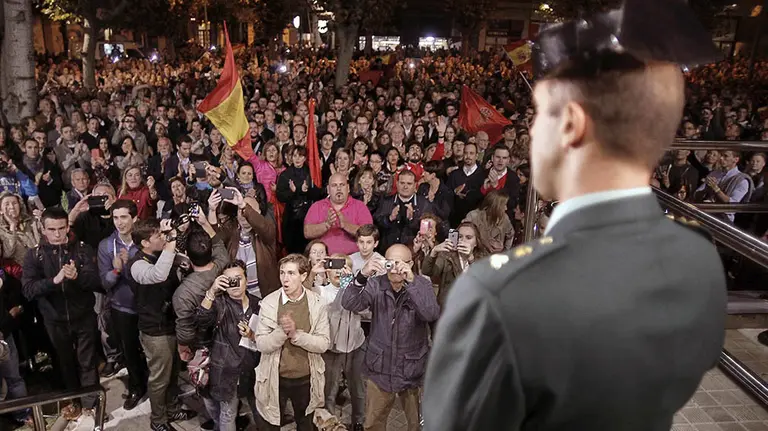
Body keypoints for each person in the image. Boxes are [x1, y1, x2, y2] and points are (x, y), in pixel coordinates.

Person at [422, 1, 728, 430]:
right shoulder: (699, 257)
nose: (530, 131)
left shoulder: (498, 295)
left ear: (571, 124)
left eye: (541, 114)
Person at [342, 244, 439, 431]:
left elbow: (431, 314)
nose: (394, 268)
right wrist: (362, 275)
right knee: (372, 424)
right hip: (380, 369)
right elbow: (349, 303)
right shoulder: (376, 284)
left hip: (412, 369)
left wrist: (411, 281)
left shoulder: (422, 284)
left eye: (400, 262)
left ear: (410, 263)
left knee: (416, 425)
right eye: (390, 262)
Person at [244, 253, 330, 431]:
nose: (285, 278)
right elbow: (261, 344)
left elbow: (323, 344)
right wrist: (282, 332)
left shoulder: (317, 304)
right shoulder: (269, 303)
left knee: (305, 424)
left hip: (306, 378)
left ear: (303, 276)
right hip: (275, 378)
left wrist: (296, 335)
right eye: (282, 273)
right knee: (270, 423)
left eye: (291, 273)